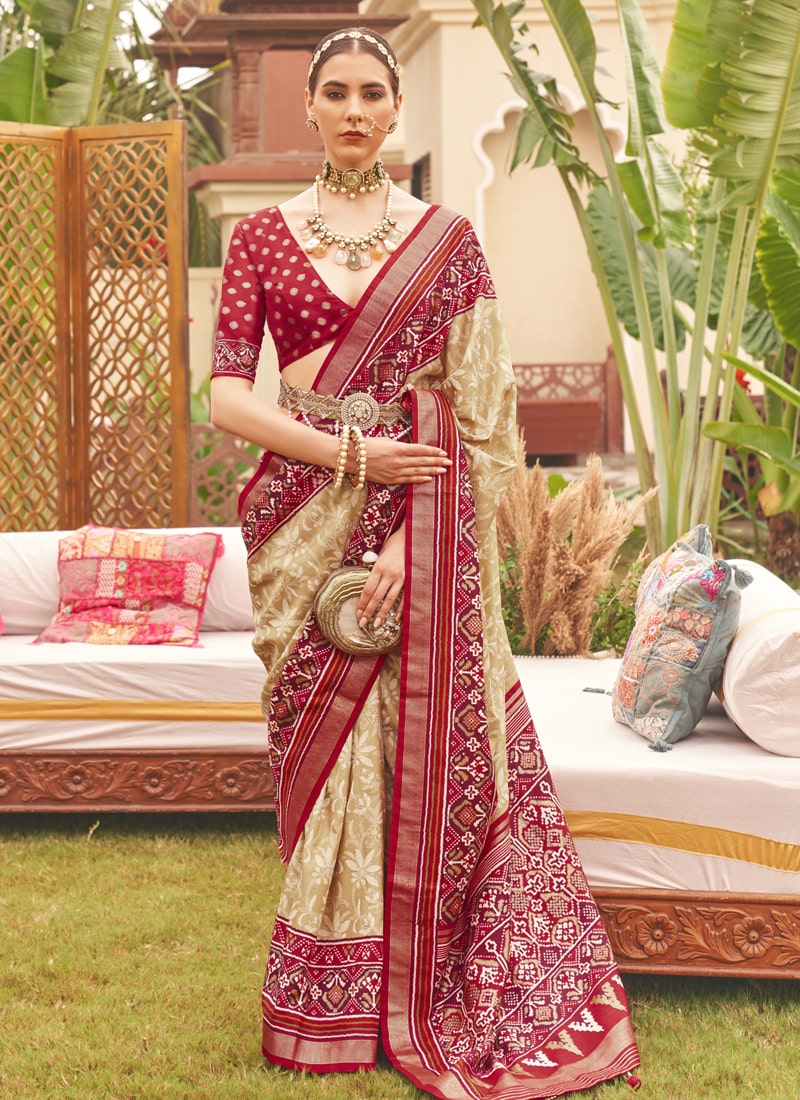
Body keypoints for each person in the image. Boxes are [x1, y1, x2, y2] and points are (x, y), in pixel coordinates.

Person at [209, 26, 640, 1100]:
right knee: (323, 755)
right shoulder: (261, 238)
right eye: (337, 93)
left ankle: (429, 973)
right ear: (312, 106)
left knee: (424, 746)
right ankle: (333, 991)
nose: (355, 111)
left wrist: (413, 533)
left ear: (396, 108)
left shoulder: (446, 242)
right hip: (300, 524)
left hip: (423, 527)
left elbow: (483, 418)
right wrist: (350, 455)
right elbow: (226, 399)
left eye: (373, 93)